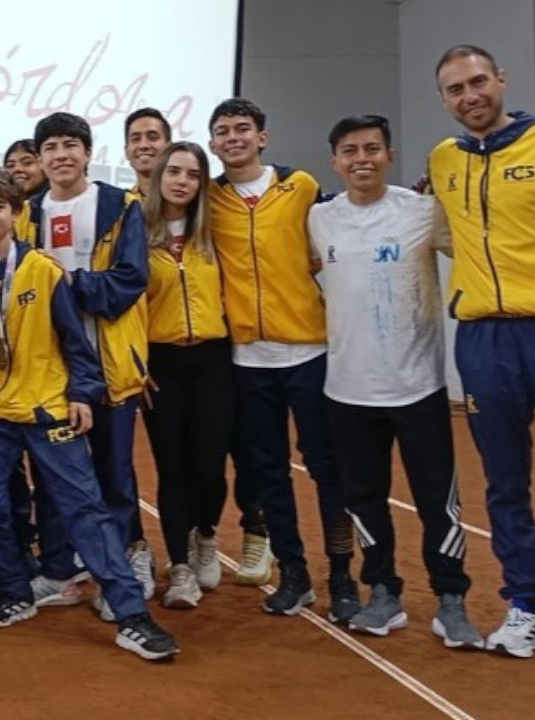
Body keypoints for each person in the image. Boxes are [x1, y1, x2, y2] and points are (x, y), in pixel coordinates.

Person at [0, 168, 177, 660]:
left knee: (85, 510)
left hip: (49, 407)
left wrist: (82, 392)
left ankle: (132, 615)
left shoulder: (43, 270)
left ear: (16, 214)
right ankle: (14, 592)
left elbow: (77, 339)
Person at [310, 114, 482, 647]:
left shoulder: (424, 211)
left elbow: (476, 247)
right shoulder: (319, 219)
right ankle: (382, 590)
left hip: (419, 387)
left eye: (372, 148)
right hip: (346, 388)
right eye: (349, 150)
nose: (361, 158)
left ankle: (451, 597)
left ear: (390, 154)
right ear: (334, 160)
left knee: (438, 499)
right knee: (364, 497)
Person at [207, 97, 356, 618]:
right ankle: (294, 573)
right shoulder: (210, 199)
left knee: (326, 466)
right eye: (223, 131)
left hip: (309, 351)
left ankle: (341, 573)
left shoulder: (302, 188)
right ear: (212, 144)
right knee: (268, 472)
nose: (233, 138)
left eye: (242, 129)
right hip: (248, 360)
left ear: (262, 137)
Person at [429, 44, 535, 658]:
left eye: (477, 82)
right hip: (484, 338)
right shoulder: (444, 159)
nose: (469, 96)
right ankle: (526, 602)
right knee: (504, 482)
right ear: (444, 100)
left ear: (501, 78)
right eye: (455, 89)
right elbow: (442, 232)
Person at [26, 112, 156, 611]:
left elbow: (129, 280)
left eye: (70, 145)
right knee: (55, 472)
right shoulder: (28, 211)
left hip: (109, 363)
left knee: (112, 471)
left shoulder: (120, 205)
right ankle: (62, 567)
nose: (61, 155)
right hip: (49, 367)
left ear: (87, 151)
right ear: (39, 159)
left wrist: (69, 285)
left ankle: (123, 565)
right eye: (51, 147)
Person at [139, 142, 232, 609]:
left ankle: (207, 535)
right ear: (158, 179)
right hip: (161, 365)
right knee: (172, 467)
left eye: (192, 175)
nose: (181, 181)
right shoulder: (137, 233)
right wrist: (136, 363)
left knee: (211, 468)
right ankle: (179, 568)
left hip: (213, 360)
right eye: (173, 172)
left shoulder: (215, 233)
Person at [124, 108, 172, 197]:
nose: (143, 145)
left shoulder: (197, 200)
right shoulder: (122, 206)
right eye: (136, 139)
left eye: (153, 137)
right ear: (126, 152)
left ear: (169, 148)